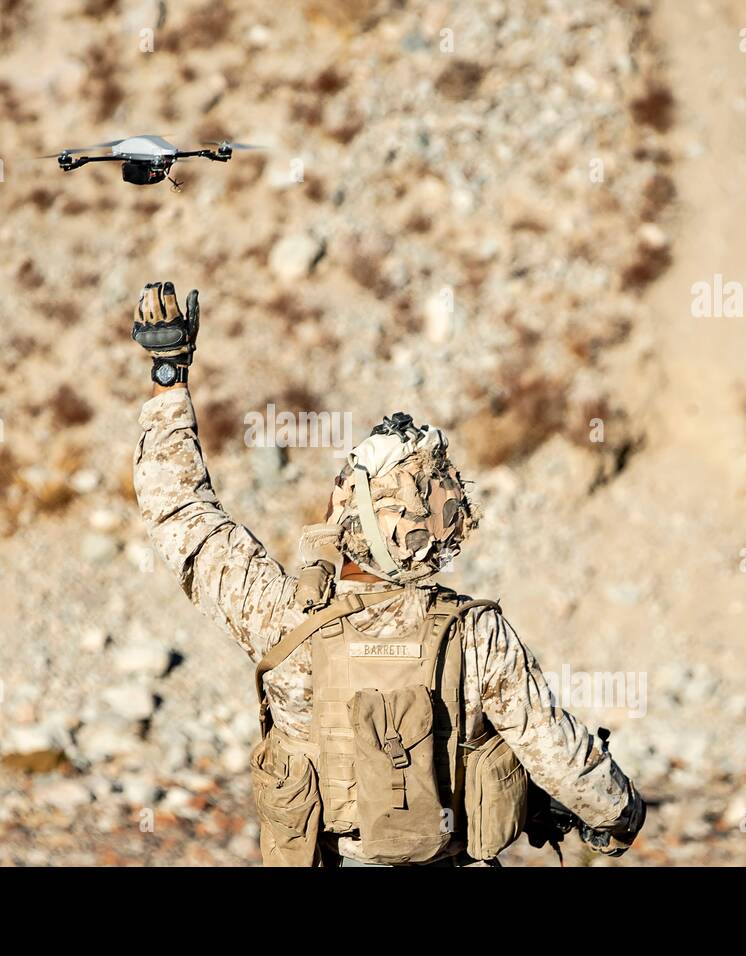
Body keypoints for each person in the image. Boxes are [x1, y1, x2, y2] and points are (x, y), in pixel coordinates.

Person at [130, 281, 646, 866]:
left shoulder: (279, 614)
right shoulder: (476, 635)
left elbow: (180, 510)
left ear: (350, 506)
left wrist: (169, 376)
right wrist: (620, 814)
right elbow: (563, 757)